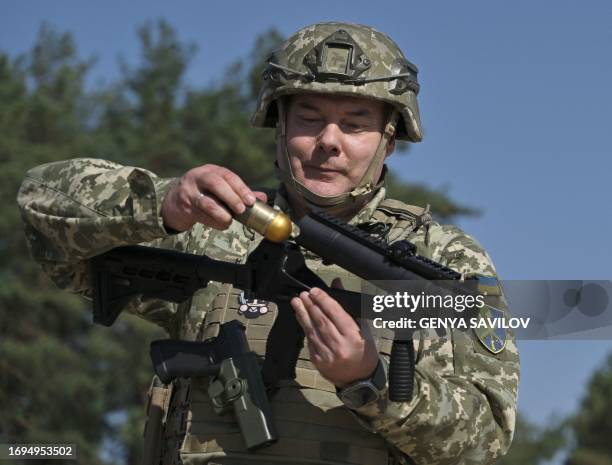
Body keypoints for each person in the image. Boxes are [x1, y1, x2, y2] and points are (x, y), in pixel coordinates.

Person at [17, 21, 519, 465]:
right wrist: (160, 204)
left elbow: (486, 441)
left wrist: (368, 381)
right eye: (308, 117)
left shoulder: (443, 261)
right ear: (278, 126)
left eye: (355, 123)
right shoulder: (215, 230)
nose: (329, 140)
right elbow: (40, 209)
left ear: (388, 139)